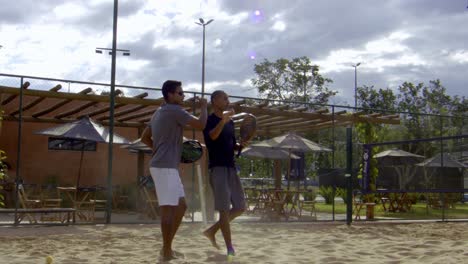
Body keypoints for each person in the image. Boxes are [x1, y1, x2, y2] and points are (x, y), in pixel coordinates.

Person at [140, 80, 207, 261]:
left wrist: (159, 151)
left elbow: (144, 137)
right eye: (180, 93)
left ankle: (166, 248)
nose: (183, 95)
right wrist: (204, 106)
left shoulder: (159, 112)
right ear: (170, 95)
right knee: (168, 211)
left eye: (183, 93)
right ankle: (166, 252)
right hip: (164, 167)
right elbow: (201, 124)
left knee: (181, 206)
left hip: (165, 165)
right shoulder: (174, 110)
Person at [202, 90, 247, 259]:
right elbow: (212, 136)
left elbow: (230, 143)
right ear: (214, 101)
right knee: (223, 211)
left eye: (228, 98)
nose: (228, 101)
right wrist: (224, 120)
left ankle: (212, 231)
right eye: (224, 98)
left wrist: (240, 145)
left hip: (231, 168)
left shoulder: (230, 123)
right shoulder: (209, 120)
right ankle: (229, 248)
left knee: (240, 207)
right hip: (217, 168)